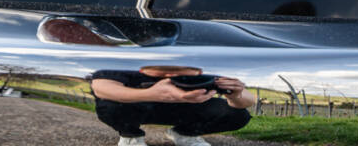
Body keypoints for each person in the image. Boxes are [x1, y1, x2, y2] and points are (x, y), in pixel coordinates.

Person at [90, 65, 254, 146]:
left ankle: (184, 134)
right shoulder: (128, 63)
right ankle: (130, 136)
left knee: (238, 114)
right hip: (139, 106)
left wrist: (236, 94)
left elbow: (249, 99)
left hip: (188, 108)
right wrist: (151, 94)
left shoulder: (205, 67)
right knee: (108, 103)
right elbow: (101, 87)